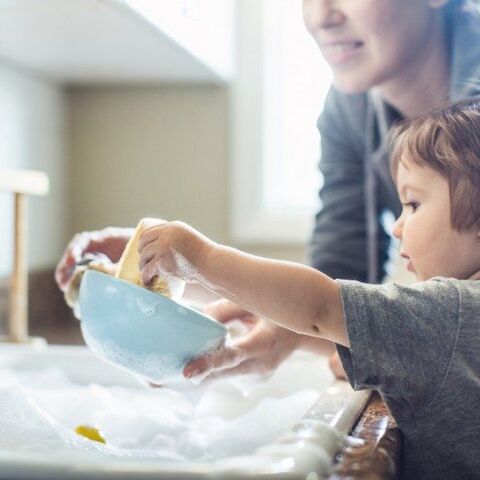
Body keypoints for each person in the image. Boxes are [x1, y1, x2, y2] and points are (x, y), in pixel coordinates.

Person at [55, 0, 480, 380]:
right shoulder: (347, 109)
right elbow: (337, 287)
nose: (320, 16)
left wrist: (205, 259)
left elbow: (327, 306)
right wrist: (273, 317)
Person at [134, 97, 480, 480]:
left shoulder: (453, 310)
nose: (397, 227)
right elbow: (355, 331)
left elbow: (320, 307)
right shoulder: (455, 322)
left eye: (412, 204)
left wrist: (201, 256)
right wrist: (292, 332)